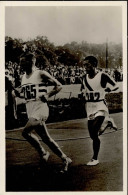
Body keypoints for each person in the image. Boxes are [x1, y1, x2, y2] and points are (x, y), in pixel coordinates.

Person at [14, 53, 72, 173]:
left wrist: (48, 95)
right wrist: (18, 93)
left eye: (23, 61)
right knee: (46, 139)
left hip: (40, 107)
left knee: (25, 132)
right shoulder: (23, 77)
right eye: (20, 61)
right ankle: (65, 158)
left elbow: (59, 85)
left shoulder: (40, 73)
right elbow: (27, 93)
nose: (20, 64)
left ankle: (43, 153)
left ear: (32, 61)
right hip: (30, 107)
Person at [81, 56, 118, 166]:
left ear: (94, 65)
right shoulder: (84, 77)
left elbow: (115, 85)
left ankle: (95, 158)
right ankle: (107, 123)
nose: (85, 67)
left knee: (94, 132)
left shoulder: (102, 75)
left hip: (100, 106)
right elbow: (82, 90)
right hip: (90, 107)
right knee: (93, 135)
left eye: (87, 65)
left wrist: (108, 89)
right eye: (84, 65)